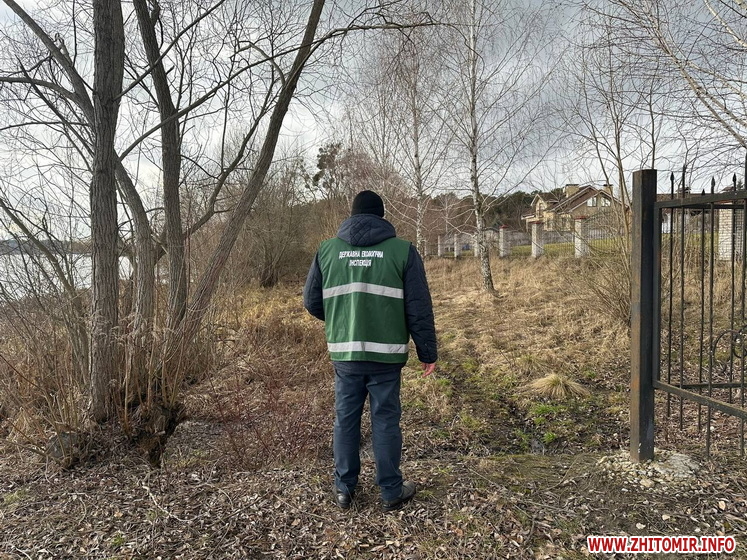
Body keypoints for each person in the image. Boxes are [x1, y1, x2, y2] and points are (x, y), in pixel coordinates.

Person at [303, 190, 437, 512]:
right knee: (386, 420)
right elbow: (418, 307)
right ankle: (390, 491)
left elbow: (311, 301)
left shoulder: (327, 250)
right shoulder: (403, 251)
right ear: (381, 216)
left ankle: (344, 489)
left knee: (345, 419)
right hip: (386, 356)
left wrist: (342, 318)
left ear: (352, 215)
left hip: (345, 354)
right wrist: (427, 352)